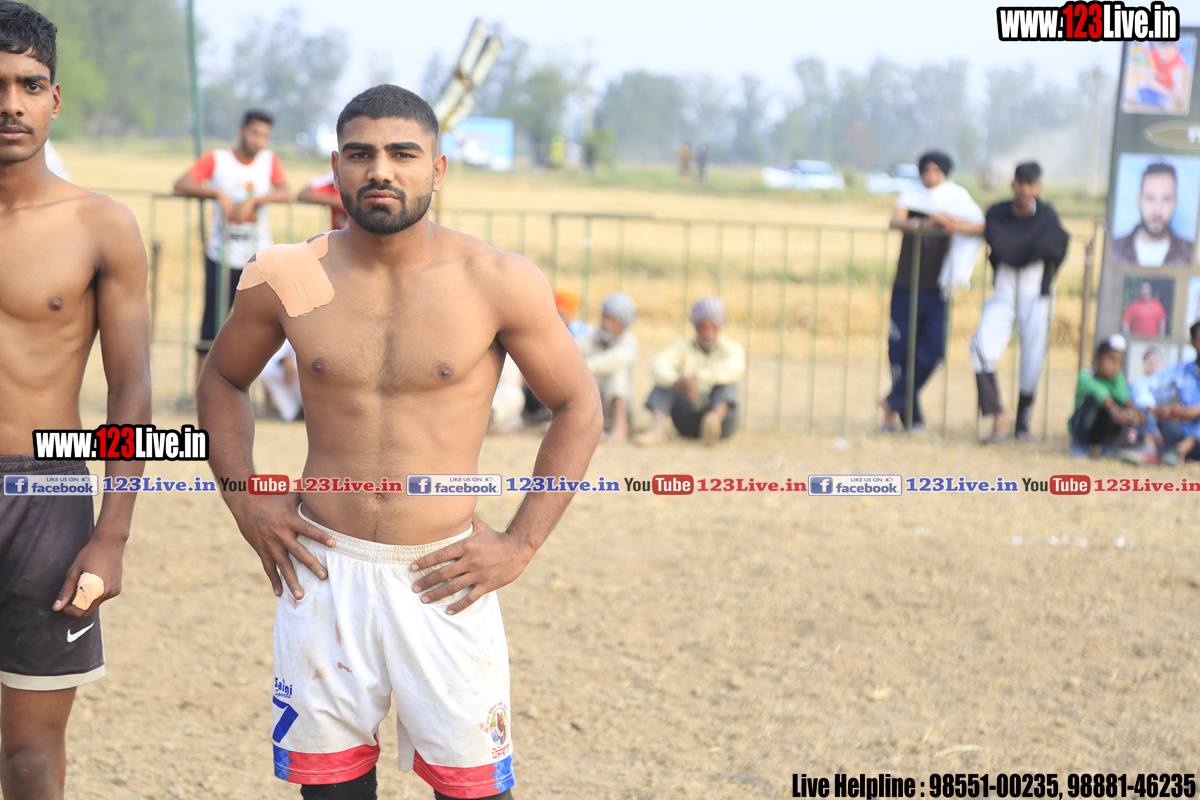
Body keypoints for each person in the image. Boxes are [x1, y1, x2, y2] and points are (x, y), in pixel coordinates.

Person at [197, 85, 602, 800]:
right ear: (336, 168)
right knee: (331, 794)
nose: (380, 170)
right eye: (360, 154)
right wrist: (246, 499)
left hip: (444, 576)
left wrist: (520, 543)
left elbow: (579, 405)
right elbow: (221, 380)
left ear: (437, 168)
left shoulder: (496, 279)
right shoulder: (286, 274)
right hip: (322, 571)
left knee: (474, 793)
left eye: (402, 154)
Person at [0, 4, 151, 798]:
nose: (10, 104)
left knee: (29, 755)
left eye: (29, 85)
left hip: (47, 497)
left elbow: (131, 389)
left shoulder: (101, 225)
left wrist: (112, 535)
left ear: (54, 99)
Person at [173, 109, 290, 385]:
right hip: (221, 255)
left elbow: (285, 191)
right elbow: (182, 183)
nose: (258, 140)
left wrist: (255, 200)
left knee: (263, 325)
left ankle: (256, 391)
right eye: (254, 133)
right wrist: (217, 193)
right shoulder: (217, 159)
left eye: (264, 135)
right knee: (212, 324)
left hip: (258, 257)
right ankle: (200, 391)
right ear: (242, 130)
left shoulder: (269, 161)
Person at [879, 151, 984, 432]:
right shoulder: (912, 194)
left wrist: (954, 225)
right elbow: (896, 221)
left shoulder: (956, 198)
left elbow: (979, 225)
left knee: (933, 350)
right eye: (926, 171)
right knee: (901, 351)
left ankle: (892, 401)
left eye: (937, 171)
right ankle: (909, 418)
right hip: (907, 283)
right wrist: (923, 224)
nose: (931, 177)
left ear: (945, 174)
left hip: (938, 286)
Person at [970, 162, 1070, 442]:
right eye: (1020, 183)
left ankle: (1022, 422)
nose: (1024, 189)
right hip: (1004, 293)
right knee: (980, 346)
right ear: (1012, 184)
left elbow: (1056, 246)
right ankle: (997, 412)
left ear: (1038, 187)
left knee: (1032, 360)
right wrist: (1029, 248)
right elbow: (1002, 244)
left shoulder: (1047, 217)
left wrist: (1026, 250)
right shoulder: (998, 213)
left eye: (1030, 184)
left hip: (1036, 295)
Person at [636, 297, 745, 446]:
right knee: (664, 382)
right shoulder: (683, 346)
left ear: (719, 326)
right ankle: (657, 430)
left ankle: (712, 425)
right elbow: (658, 364)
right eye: (702, 327)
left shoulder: (732, 349)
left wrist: (697, 378)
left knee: (728, 385)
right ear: (695, 327)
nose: (708, 333)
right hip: (688, 419)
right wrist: (677, 382)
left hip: (723, 423)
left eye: (712, 327)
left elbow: (734, 369)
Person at [1129, 321, 1200, 466]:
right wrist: (1155, 408)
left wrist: (1194, 411)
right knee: (1151, 399)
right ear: (1193, 342)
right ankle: (1148, 447)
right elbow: (1140, 385)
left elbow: (1193, 412)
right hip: (1179, 431)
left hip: (1194, 440)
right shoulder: (1182, 371)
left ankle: (1179, 451)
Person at [578, 293, 639, 443]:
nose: (606, 323)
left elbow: (617, 359)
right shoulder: (590, 338)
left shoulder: (629, 342)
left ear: (623, 324)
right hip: (589, 406)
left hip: (613, 408)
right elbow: (571, 353)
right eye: (605, 317)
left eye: (613, 320)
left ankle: (620, 428)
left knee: (618, 371)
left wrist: (584, 367)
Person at [1068, 335, 1143, 457]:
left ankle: (1108, 444)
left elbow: (1125, 397)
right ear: (1097, 359)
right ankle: (1079, 444)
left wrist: (1134, 413)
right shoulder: (1086, 376)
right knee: (1091, 400)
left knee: (1119, 403)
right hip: (1083, 430)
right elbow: (1102, 395)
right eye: (1111, 359)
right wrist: (1116, 411)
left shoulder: (1117, 378)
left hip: (1101, 431)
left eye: (1120, 362)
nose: (1116, 366)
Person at [1111, 162, 1194, 266]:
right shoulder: (1111, 250)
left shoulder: (1192, 253)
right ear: (1139, 200)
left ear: (1175, 203)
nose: (1157, 211)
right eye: (1150, 198)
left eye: (1166, 199)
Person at [260, 341, 303, 421]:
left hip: (308, 356)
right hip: (289, 356)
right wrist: (285, 356)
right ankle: (294, 414)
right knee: (266, 368)